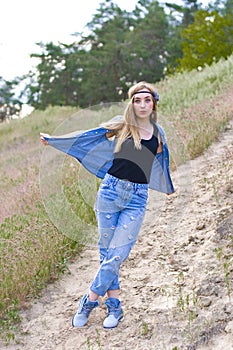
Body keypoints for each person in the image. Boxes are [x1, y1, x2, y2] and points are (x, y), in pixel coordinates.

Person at [40, 81, 175, 329]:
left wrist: (166, 186)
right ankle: (115, 307)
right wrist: (56, 141)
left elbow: (160, 164)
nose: (142, 105)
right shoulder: (122, 126)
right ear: (131, 103)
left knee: (117, 254)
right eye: (137, 100)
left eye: (147, 100)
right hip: (110, 192)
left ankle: (89, 300)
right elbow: (86, 138)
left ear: (154, 103)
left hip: (136, 198)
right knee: (107, 253)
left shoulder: (158, 134)